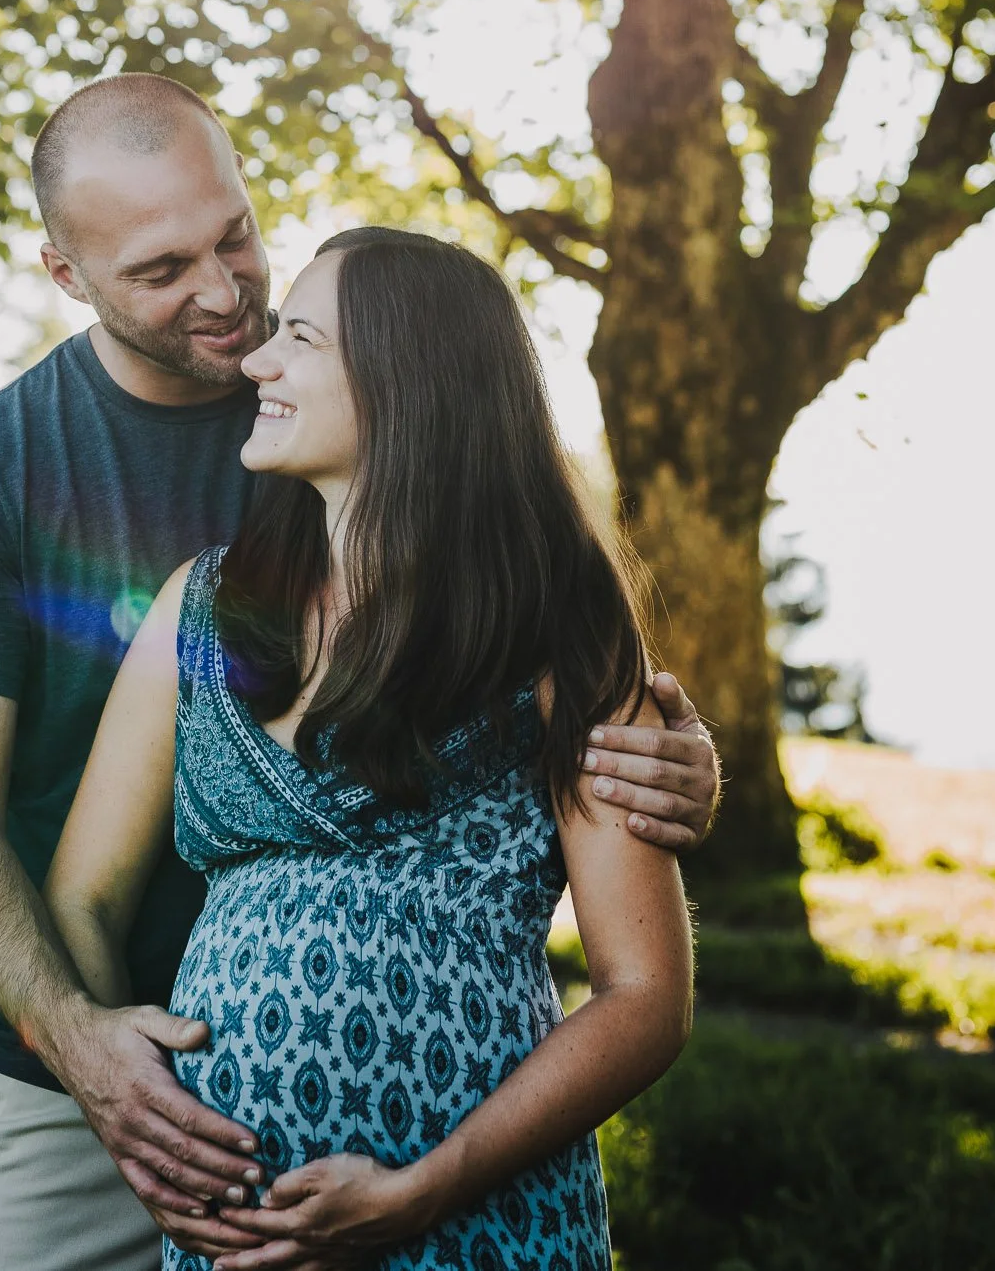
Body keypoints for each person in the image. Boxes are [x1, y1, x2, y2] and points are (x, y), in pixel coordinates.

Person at [0, 75, 719, 1271]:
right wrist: (84, 1042)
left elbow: (622, 902)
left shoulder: (344, 409)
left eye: (235, 238)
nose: (227, 300)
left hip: (424, 1147)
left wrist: (675, 759)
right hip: (67, 1053)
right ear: (69, 275)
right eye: (164, 270)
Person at [47, 226, 693, 1271]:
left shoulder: (557, 625)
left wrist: (425, 1189)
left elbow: (645, 997)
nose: (259, 358)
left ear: (408, 382)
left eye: (300, 337)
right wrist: (121, 1082)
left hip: (481, 1219)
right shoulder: (199, 611)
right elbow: (82, 896)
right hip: (241, 1232)